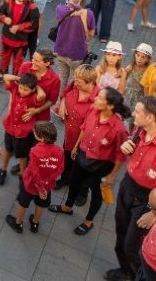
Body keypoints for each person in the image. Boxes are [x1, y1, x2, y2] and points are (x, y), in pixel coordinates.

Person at [105, 97, 156, 281]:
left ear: (150, 118)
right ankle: (125, 272)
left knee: (132, 248)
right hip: (127, 189)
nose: (133, 113)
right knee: (120, 234)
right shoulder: (139, 130)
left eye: (137, 111)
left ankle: (137, 276)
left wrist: (154, 214)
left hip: (145, 203)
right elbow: (135, 157)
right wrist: (127, 147)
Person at [52, 87, 131, 236]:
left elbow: (121, 156)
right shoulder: (93, 110)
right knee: (74, 183)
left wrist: (111, 176)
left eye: (100, 98)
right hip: (82, 155)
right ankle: (67, 207)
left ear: (110, 106)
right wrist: (76, 147)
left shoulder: (119, 129)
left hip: (100, 166)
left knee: (96, 194)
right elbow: (83, 128)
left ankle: (88, 221)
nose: (95, 99)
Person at [4, 122, 64, 234]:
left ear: (41, 138)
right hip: (47, 185)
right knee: (41, 204)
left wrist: (40, 186)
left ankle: (18, 223)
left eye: (35, 132)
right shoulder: (59, 151)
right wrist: (46, 183)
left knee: (23, 203)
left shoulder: (35, 151)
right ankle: (35, 223)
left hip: (30, 184)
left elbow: (34, 172)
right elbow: (60, 169)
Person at [0, 72, 45, 185]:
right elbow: (6, 76)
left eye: (26, 89)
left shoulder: (33, 98)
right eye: (21, 87)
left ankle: (22, 174)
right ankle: (3, 170)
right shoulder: (15, 90)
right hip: (10, 128)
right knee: (8, 149)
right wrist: (21, 80)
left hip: (22, 133)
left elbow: (42, 95)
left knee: (22, 155)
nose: (22, 90)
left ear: (33, 90)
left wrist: (36, 86)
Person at [53, 0, 97, 84]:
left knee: (61, 80)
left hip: (60, 51)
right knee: (74, 81)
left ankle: (60, 99)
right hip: (77, 54)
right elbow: (91, 34)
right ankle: (71, 98)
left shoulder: (60, 9)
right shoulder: (89, 14)